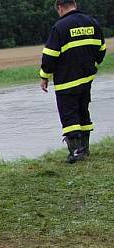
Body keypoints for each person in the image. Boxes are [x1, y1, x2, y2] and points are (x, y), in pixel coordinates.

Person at [39, 0, 106, 163]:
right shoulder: (92, 22)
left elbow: (50, 55)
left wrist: (44, 75)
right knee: (83, 111)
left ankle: (76, 152)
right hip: (86, 79)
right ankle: (85, 148)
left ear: (60, 8)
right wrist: (93, 66)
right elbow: (102, 49)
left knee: (69, 116)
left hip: (66, 81)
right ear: (74, 4)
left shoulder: (60, 27)